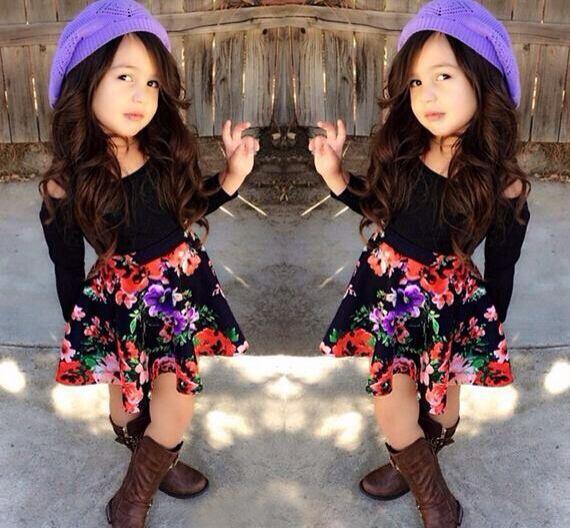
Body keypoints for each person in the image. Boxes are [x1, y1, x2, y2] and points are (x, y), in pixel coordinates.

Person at [309, 1, 530, 526]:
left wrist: (486, 334)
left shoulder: (502, 186)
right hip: (391, 297)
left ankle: (416, 458)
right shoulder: (406, 154)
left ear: (483, 80)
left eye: (443, 76)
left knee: (441, 406)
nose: (426, 94)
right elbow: (378, 208)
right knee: (392, 400)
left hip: (448, 308)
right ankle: (433, 495)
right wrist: (335, 175)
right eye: (415, 82)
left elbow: (502, 268)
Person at [38, 1, 258, 526]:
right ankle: (152, 457)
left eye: (153, 83)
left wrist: (231, 176)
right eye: (125, 77)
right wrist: (81, 330)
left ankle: (134, 493)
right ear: (84, 81)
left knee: (176, 398)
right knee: (127, 402)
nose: (141, 94)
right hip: (119, 308)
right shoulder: (66, 185)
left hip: (177, 296)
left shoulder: (161, 156)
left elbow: (188, 209)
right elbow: (66, 267)